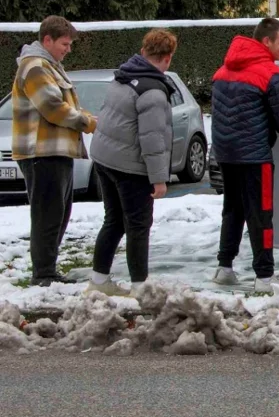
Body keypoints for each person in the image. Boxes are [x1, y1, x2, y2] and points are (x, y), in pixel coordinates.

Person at [210, 18, 279, 293]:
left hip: (226, 152)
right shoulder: (271, 74)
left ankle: (224, 268)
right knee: (261, 214)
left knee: (233, 210)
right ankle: (264, 277)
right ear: (267, 42)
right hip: (254, 156)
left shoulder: (222, 71)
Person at [86, 30, 179, 296]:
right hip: (130, 166)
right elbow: (153, 139)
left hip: (105, 158)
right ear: (168, 57)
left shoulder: (124, 76)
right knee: (138, 225)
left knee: (114, 221)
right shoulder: (152, 91)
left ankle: (99, 280)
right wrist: (159, 179)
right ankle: (140, 287)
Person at [11, 16, 97, 287]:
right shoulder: (35, 67)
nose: (68, 49)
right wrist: (87, 121)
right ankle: (44, 274)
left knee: (58, 213)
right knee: (48, 215)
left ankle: (48, 269)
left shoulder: (49, 66)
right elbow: (53, 107)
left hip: (55, 152)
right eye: (64, 43)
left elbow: (61, 103)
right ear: (46, 40)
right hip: (42, 153)